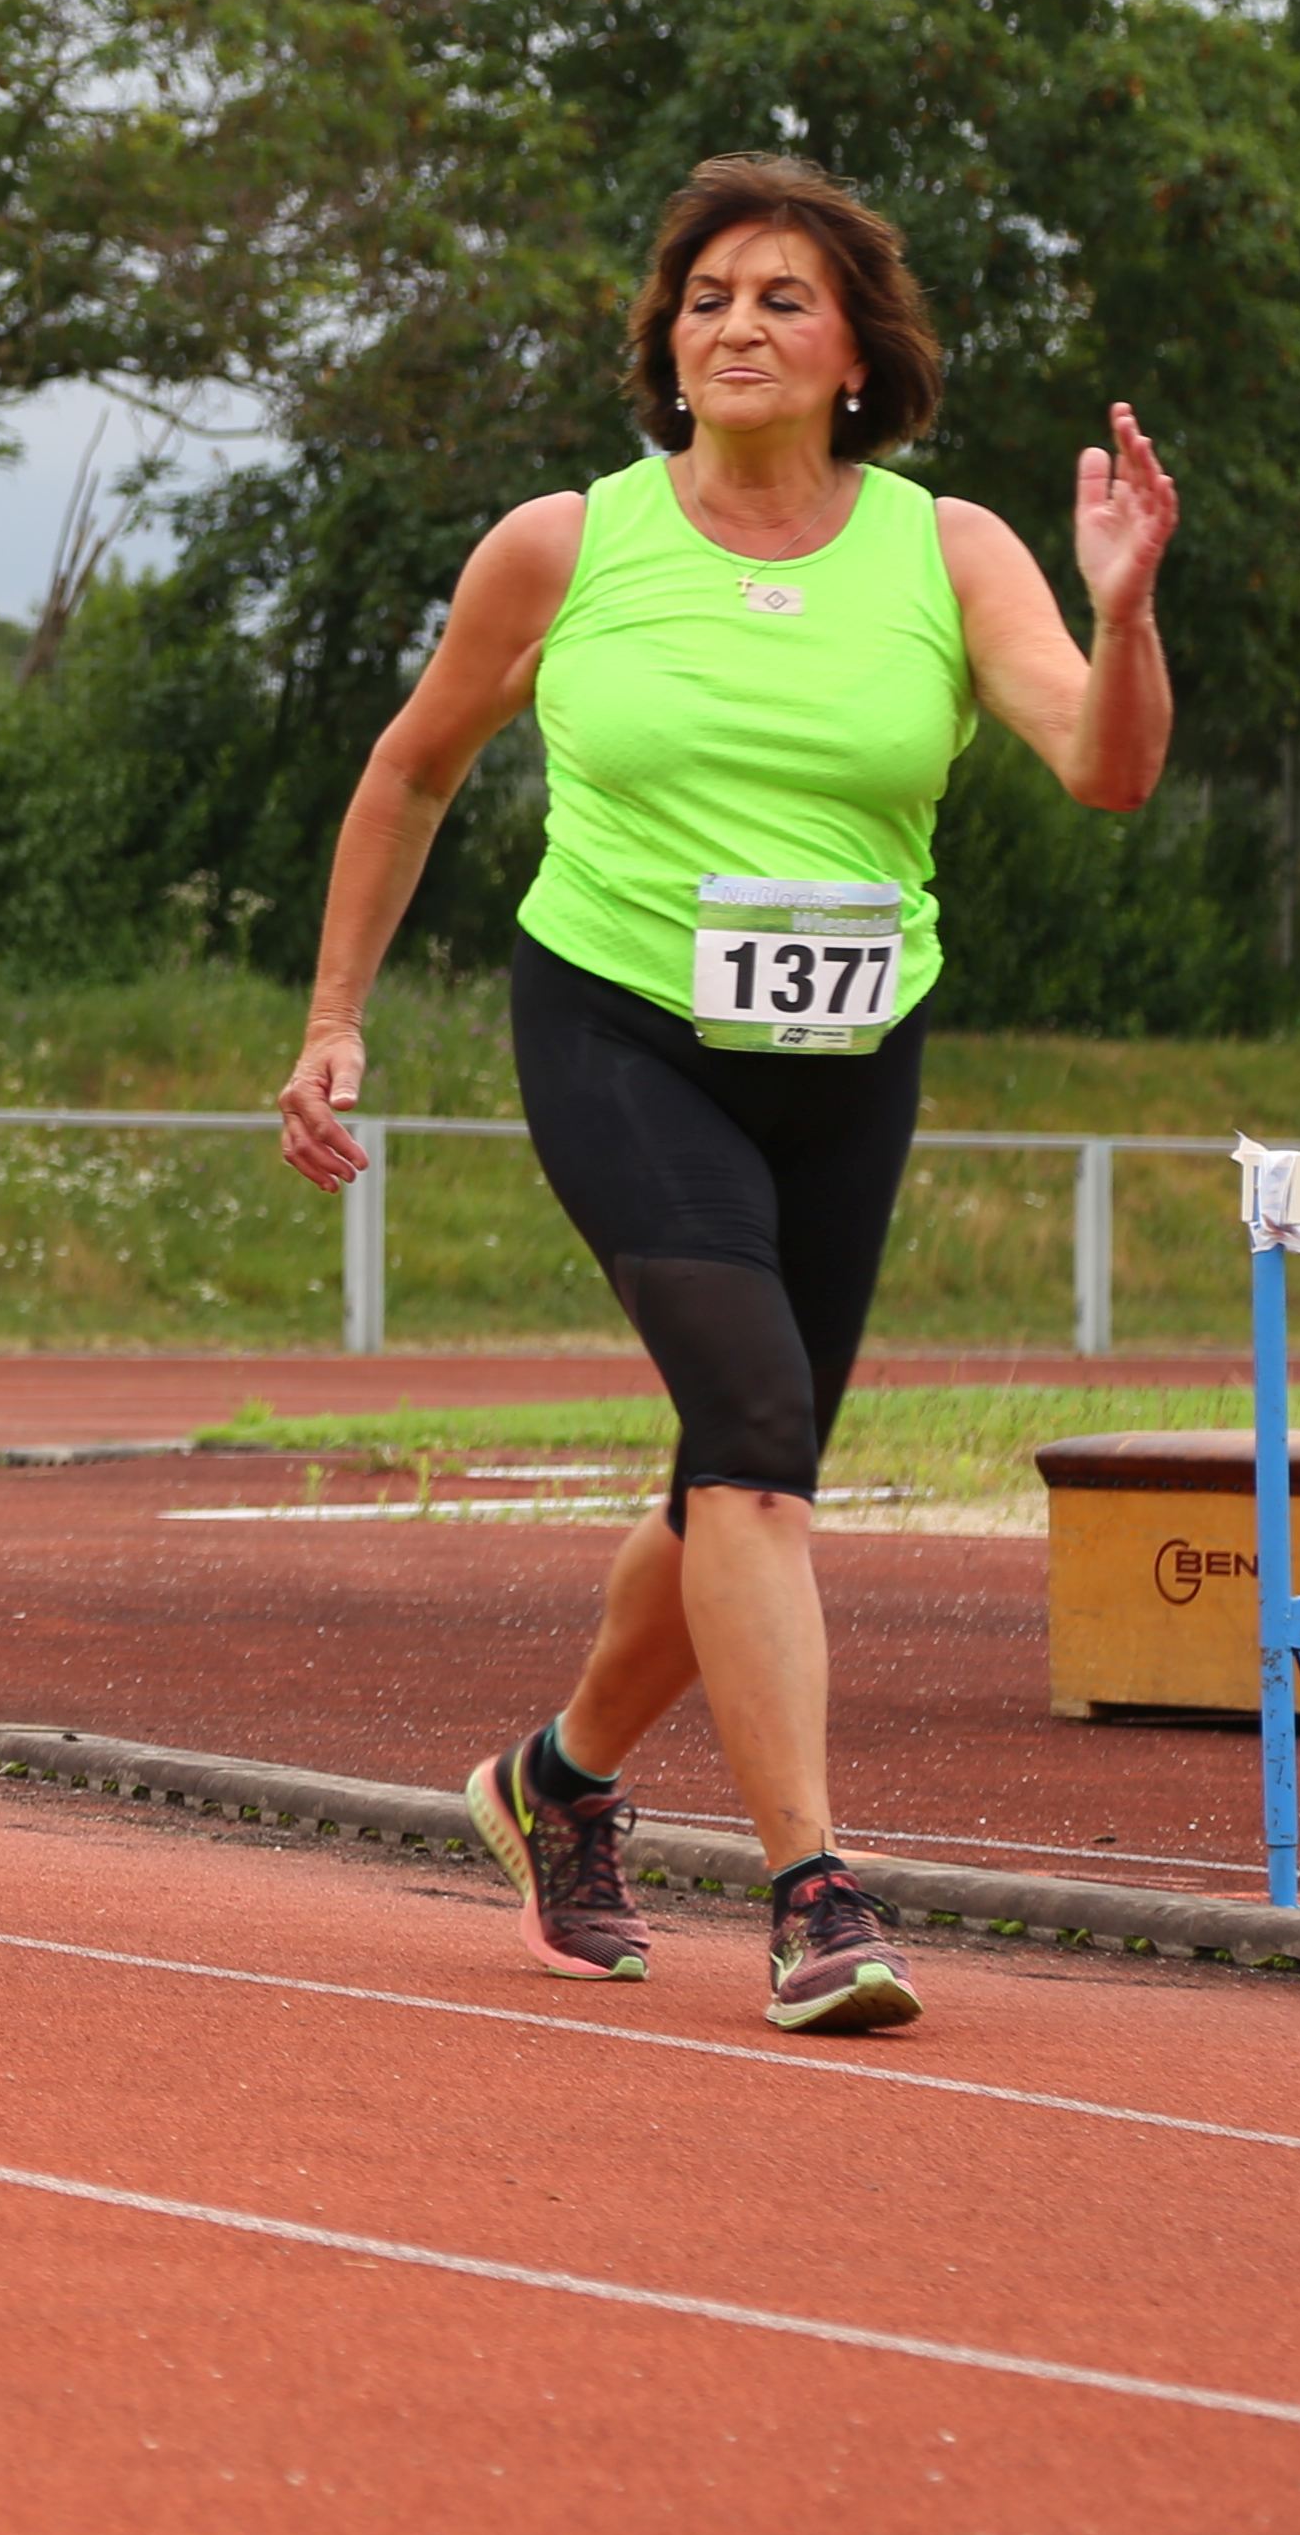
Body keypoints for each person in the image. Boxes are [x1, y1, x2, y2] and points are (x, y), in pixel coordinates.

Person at [274, 153, 1175, 2036]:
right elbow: (411, 768)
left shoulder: (947, 551)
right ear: (666, 346)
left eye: (781, 299)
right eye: (705, 300)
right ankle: (813, 1891)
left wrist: (1125, 613)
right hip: (621, 1026)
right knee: (757, 1432)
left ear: (857, 354)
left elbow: (1106, 773)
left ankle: (556, 1780)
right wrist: (333, 1017)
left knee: (733, 1477)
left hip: (850, 1047)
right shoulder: (565, 544)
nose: (737, 326)